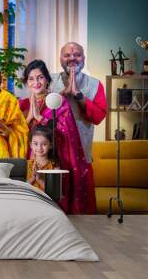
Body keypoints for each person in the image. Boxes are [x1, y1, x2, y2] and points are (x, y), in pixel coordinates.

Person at [20, 59, 93, 213]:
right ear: (27, 82)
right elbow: (16, 134)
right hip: (30, 157)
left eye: (40, 77)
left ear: (47, 79)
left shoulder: (58, 101)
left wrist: (41, 119)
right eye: (31, 79)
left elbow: (65, 131)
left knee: (52, 202)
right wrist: (28, 119)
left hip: (54, 159)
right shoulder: (23, 105)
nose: (36, 82)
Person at [51, 42, 107, 213]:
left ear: (84, 58)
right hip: (53, 154)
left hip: (82, 154)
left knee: (82, 211)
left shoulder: (95, 84)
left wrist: (78, 95)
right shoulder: (49, 81)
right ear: (60, 58)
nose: (72, 59)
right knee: (54, 208)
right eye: (67, 55)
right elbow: (41, 113)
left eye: (77, 55)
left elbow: (98, 116)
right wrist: (63, 93)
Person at [27, 125, 57, 191]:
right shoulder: (26, 165)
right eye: (35, 144)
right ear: (31, 145)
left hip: (45, 201)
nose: (39, 148)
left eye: (44, 144)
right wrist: (32, 178)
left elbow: (54, 192)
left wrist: (40, 179)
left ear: (51, 145)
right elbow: (21, 189)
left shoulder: (54, 166)